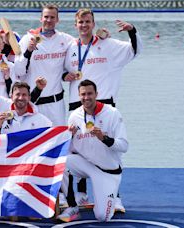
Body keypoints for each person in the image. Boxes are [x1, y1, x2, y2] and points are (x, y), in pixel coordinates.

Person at [63, 8, 142, 212]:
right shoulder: (71, 46)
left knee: (110, 150)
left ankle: (115, 197)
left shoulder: (108, 44)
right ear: (75, 25)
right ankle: (80, 195)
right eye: (81, 22)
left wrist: (132, 31)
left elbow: (135, 51)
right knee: (78, 148)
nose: (84, 25)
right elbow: (62, 70)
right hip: (76, 106)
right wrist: (65, 76)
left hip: (104, 106)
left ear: (93, 23)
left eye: (88, 22)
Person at [58, 79, 128, 222]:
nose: (86, 97)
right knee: (60, 162)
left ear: (97, 94)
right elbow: (71, 149)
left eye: (90, 93)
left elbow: (124, 146)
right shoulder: (74, 116)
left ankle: (110, 196)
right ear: (79, 96)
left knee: (102, 217)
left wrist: (104, 138)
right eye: (83, 94)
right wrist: (68, 137)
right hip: (87, 165)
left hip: (108, 171)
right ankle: (72, 206)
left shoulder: (112, 113)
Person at [14, 4, 74, 126]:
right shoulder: (28, 39)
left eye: (52, 17)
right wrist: (28, 51)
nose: (49, 20)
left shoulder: (65, 39)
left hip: (56, 103)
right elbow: (19, 71)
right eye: (46, 17)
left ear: (57, 20)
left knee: (58, 139)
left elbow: (84, 44)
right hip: (33, 103)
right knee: (34, 142)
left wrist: (101, 38)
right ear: (41, 18)